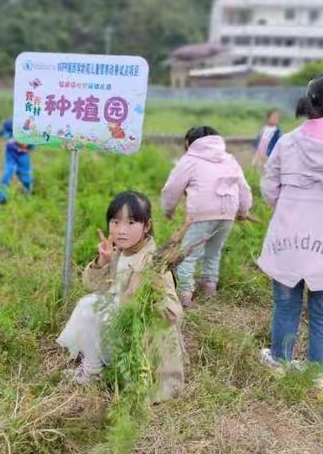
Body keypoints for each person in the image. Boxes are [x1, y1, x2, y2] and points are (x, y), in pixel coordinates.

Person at [57, 191, 184, 401]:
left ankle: (102, 368)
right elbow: (91, 284)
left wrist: (154, 291)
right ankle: (94, 368)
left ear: (147, 226)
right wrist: (102, 261)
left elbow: (172, 315)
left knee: (89, 306)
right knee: (87, 305)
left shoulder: (154, 264)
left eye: (131, 223)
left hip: (139, 343)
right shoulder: (119, 252)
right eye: (115, 222)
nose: (121, 231)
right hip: (116, 326)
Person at [258, 76, 323, 376]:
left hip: (288, 235)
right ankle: (316, 371)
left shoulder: (287, 142)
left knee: (286, 305)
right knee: (321, 313)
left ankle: (281, 362)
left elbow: (269, 188)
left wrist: (288, 204)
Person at [161, 126, 253, 308]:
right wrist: (244, 211)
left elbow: (172, 187)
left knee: (188, 254)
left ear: (189, 142)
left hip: (202, 213)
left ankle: (185, 295)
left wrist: (168, 209)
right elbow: (243, 188)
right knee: (213, 252)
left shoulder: (190, 160)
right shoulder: (229, 159)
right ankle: (209, 289)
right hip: (228, 212)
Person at [0, 119, 34, 204]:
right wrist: (0, 132)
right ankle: (1, 196)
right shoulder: (14, 123)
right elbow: (4, 130)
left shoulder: (33, 127)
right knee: (8, 172)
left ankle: (26, 194)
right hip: (11, 154)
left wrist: (30, 146)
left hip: (23, 155)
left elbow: (32, 143)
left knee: (26, 175)